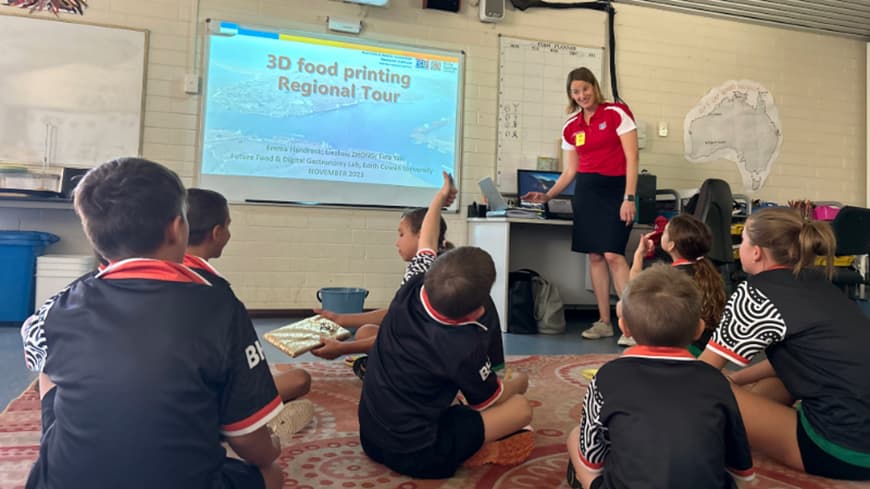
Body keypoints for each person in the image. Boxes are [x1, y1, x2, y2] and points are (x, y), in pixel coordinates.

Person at [22, 158, 285, 489]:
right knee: (272, 474)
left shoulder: (60, 305)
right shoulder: (219, 305)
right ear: (177, 228)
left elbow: (35, 352)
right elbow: (250, 444)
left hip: (57, 482)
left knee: (49, 366)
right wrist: (272, 449)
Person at [358, 172, 534, 479]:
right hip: (421, 454)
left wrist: (440, 198)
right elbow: (485, 404)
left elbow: (426, 238)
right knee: (520, 406)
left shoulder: (410, 288)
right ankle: (478, 450)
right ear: (478, 310)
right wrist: (515, 384)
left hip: (370, 436)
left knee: (480, 393)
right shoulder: (465, 346)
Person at [701, 207, 870, 480]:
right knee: (771, 381)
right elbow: (796, 362)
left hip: (845, 447)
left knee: (704, 387)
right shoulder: (820, 284)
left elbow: (699, 374)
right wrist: (739, 379)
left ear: (756, 251)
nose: (739, 247)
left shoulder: (756, 294)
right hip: (860, 428)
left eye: (742, 241)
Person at [567, 264, 755, 489]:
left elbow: (591, 459)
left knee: (575, 436)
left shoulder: (607, 377)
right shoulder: (716, 380)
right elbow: (742, 470)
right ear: (699, 329)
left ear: (624, 327)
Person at [311, 208, 505, 380]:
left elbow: (400, 333)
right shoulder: (433, 265)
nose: (397, 242)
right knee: (365, 332)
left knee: (387, 352)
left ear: (422, 236)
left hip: (469, 359)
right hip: (447, 345)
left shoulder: (433, 276)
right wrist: (341, 319)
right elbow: (397, 315)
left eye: (402, 234)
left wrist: (342, 349)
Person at [523, 66, 639, 346]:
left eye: (585, 88)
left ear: (594, 87)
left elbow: (632, 158)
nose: (582, 95)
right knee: (595, 257)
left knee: (614, 255)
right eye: (576, 91)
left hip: (616, 190)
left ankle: (632, 326)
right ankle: (604, 322)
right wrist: (547, 196)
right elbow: (569, 172)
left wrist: (629, 197)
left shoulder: (616, 113)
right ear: (571, 95)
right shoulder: (571, 126)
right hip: (587, 193)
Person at [185, 188, 314, 436]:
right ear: (217, 232)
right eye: (228, 226)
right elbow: (244, 378)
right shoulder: (220, 298)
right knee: (299, 379)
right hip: (204, 408)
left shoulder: (140, 283)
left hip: (152, 407)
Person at [630, 214, 726, 356]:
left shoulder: (669, 276)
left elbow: (633, 292)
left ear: (671, 245)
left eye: (666, 231)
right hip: (709, 347)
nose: (662, 233)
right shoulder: (710, 271)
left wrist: (639, 255)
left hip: (685, 348)